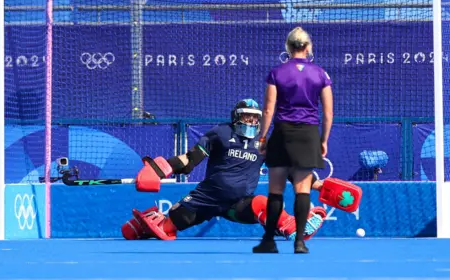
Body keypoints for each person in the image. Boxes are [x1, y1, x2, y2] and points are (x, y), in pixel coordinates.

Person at [124, 98, 328, 241]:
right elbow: (189, 161)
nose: (252, 121)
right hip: (206, 199)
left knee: (261, 203)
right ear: (236, 117)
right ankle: (148, 227)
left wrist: (317, 185)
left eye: (255, 118)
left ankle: (291, 227)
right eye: (247, 117)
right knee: (172, 224)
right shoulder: (220, 133)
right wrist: (159, 170)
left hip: (237, 206)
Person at [253, 26, 333, 254]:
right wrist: (323, 140)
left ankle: (268, 240)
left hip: (282, 133)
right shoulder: (320, 74)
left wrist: (262, 137)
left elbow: (268, 110)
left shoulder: (277, 72)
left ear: (288, 48)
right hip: (308, 134)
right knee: (302, 189)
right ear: (308, 48)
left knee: (275, 190)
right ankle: (300, 241)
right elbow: (328, 113)